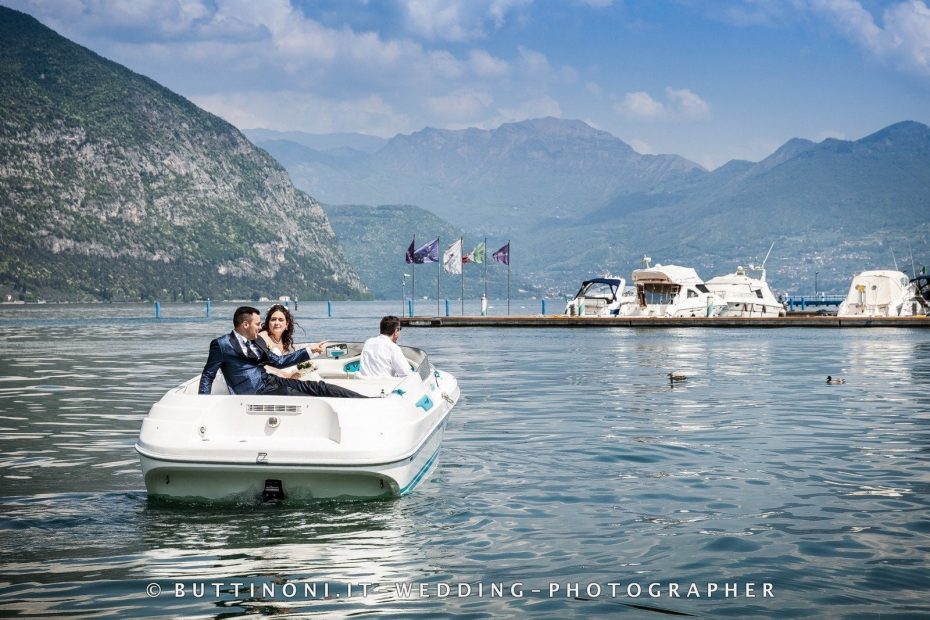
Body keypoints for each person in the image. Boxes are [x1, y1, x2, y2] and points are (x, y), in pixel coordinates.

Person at [199, 306, 365, 398]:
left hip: (271, 382)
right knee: (309, 392)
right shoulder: (221, 344)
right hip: (255, 391)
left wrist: (309, 350)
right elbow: (208, 375)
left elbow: (278, 361)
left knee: (318, 386)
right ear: (245, 325)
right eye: (257, 323)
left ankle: (363, 399)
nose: (260, 326)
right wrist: (202, 403)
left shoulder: (255, 342)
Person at [257, 304, 322, 380]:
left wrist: (314, 348)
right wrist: (288, 375)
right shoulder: (262, 337)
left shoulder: (284, 340)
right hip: (271, 379)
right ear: (268, 323)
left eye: (281, 320)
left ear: (286, 325)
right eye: (273, 319)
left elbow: (295, 351)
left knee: (312, 373)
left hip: (286, 376)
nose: (277, 323)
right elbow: (263, 365)